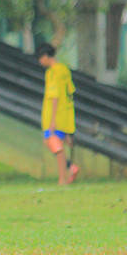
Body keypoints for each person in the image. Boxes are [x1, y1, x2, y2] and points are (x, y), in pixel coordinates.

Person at [36, 43, 79, 185]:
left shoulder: (52, 72)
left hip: (55, 116)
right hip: (65, 114)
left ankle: (64, 177)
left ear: (45, 57)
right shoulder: (64, 70)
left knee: (55, 146)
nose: (39, 62)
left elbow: (54, 96)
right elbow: (70, 91)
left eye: (40, 58)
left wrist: (53, 120)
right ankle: (68, 170)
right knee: (53, 144)